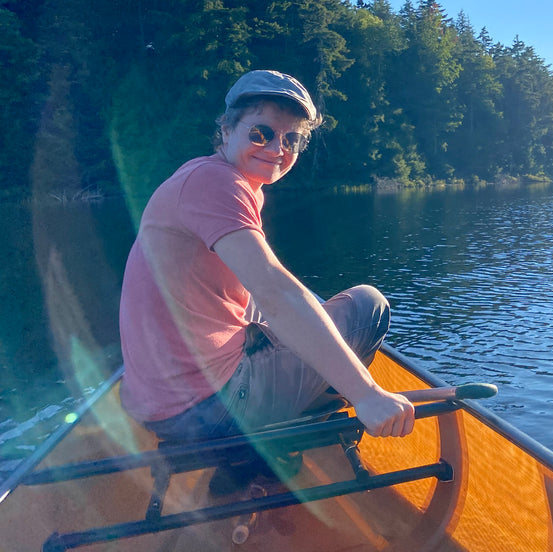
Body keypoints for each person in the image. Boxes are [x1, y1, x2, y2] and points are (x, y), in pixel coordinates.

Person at [118, 70, 414, 454]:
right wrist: (367, 392)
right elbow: (275, 291)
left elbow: (259, 294)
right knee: (368, 307)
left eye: (292, 139)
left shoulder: (207, 177)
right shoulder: (216, 182)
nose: (278, 148)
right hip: (205, 411)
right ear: (226, 131)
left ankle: (255, 448)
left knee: (279, 311)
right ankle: (259, 459)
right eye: (262, 133)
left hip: (156, 404)